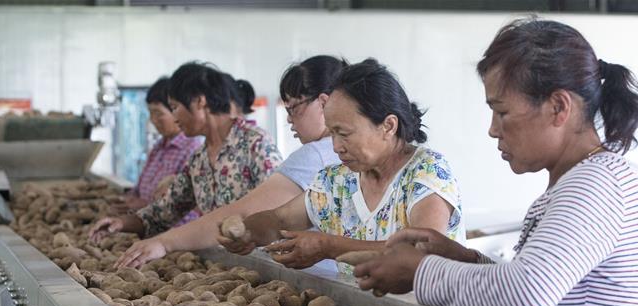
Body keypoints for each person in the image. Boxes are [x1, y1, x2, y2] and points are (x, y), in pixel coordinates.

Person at [354, 18, 638, 306]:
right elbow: (535, 281)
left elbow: (526, 294)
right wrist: (465, 258)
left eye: (502, 112)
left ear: (559, 107)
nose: (493, 130)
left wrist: (418, 271)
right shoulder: (581, 180)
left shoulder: (596, 185)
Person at [219, 58, 465, 270]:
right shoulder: (336, 182)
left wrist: (329, 247)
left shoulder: (427, 172)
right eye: (332, 133)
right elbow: (280, 220)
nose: (336, 146)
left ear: (388, 126)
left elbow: (421, 251)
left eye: (344, 133)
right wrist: (247, 231)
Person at [113, 56, 347, 269]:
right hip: (248, 266)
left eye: (293, 108)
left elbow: (252, 211)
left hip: (300, 275)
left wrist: (165, 242)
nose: (288, 119)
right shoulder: (198, 158)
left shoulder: (281, 148)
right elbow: (278, 217)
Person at [89, 62, 282, 244]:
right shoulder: (199, 160)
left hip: (265, 265)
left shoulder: (256, 143)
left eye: (175, 107)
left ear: (200, 102)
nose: (174, 117)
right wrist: (121, 223)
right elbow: (164, 212)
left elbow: (280, 208)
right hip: (222, 265)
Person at [118, 77, 203, 215]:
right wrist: (128, 200)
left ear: (177, 111)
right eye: (150, 113)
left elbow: (187, 208)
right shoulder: (159, 147)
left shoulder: (192, 150)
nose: (153, 120)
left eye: (158, 113)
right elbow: (139, 189)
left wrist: (144, 205)